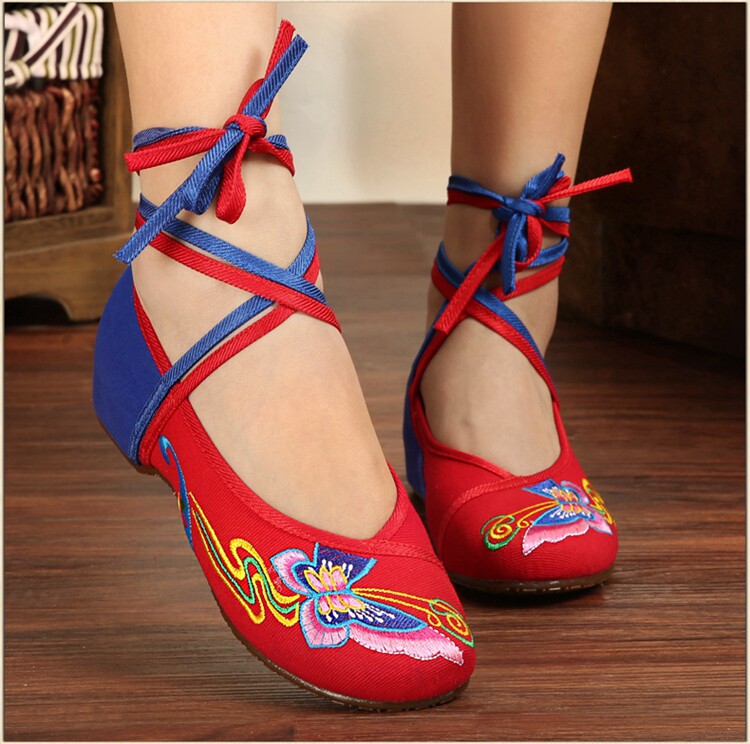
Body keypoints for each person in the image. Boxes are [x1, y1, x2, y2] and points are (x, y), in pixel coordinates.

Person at [94, 2, 628, 710]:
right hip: (210, 241)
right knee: (222, 177)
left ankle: (495, 296)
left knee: (514, 232)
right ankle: (212, 250)